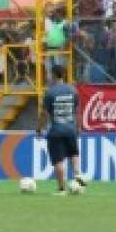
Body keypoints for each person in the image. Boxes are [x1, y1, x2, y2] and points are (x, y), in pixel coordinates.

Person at [39, 65, 84, 195]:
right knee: (73, 153)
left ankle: (62, 189)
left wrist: (39, 128)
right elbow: (77, 111)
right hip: (71, 129)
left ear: (53, 75)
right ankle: (77, 173)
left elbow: (45, 114)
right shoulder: (73, 90)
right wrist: (79, 127)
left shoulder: (50, 92)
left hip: (56, 130)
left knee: (58, 160)